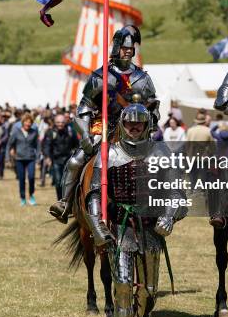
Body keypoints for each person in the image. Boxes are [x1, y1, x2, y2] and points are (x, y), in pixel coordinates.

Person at [85, 103, 185, 317]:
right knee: (122, 284)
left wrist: (169, 216)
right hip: (121, 226)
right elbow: (95, 193)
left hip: (150, 229)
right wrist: (98, 226)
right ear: (122, 125)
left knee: (148, 289)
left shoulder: (161, 151)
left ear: (147, 125)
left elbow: (177, 192)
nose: (134, 127)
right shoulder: (109, 153)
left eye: (138, 123)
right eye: (129, 123)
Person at [49, 25, 159, 224]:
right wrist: (85, 136)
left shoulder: (143, 78)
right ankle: (64, 203)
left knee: (160, 159)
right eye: (124, 47)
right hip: (105, 126)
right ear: (116, 48)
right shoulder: (100, 76)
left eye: (131, 48)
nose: (128, 51)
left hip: (136, 130)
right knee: (77, 160)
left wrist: (151, 124)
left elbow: (153, 106)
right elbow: (84, 108)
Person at [43, 114, 79, 200]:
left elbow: (77, 145)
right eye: (58, 122)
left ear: (65, 122)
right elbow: (46, 146)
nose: (60, 124)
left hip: (68, 160)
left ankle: (67, 199)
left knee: (68, 182)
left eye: (62, 122)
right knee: (58, 181)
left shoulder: (71, 131)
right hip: (56, 160)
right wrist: (47, 157)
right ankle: (60, 200)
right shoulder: (50, 132)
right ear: (55, 122)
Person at [8, 113, 39, 206]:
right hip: (19, 158)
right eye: (26, 122)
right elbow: (10, 144)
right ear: (23, 122)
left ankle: (31, 195)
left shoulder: (34, 132)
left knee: (31, 177)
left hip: (31, 158)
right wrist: (10, 152)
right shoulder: (16, 131)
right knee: (21, 179)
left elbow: (38, 146)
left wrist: (38, 159)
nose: (28, 124)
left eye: (30, 122)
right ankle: (22, 198)